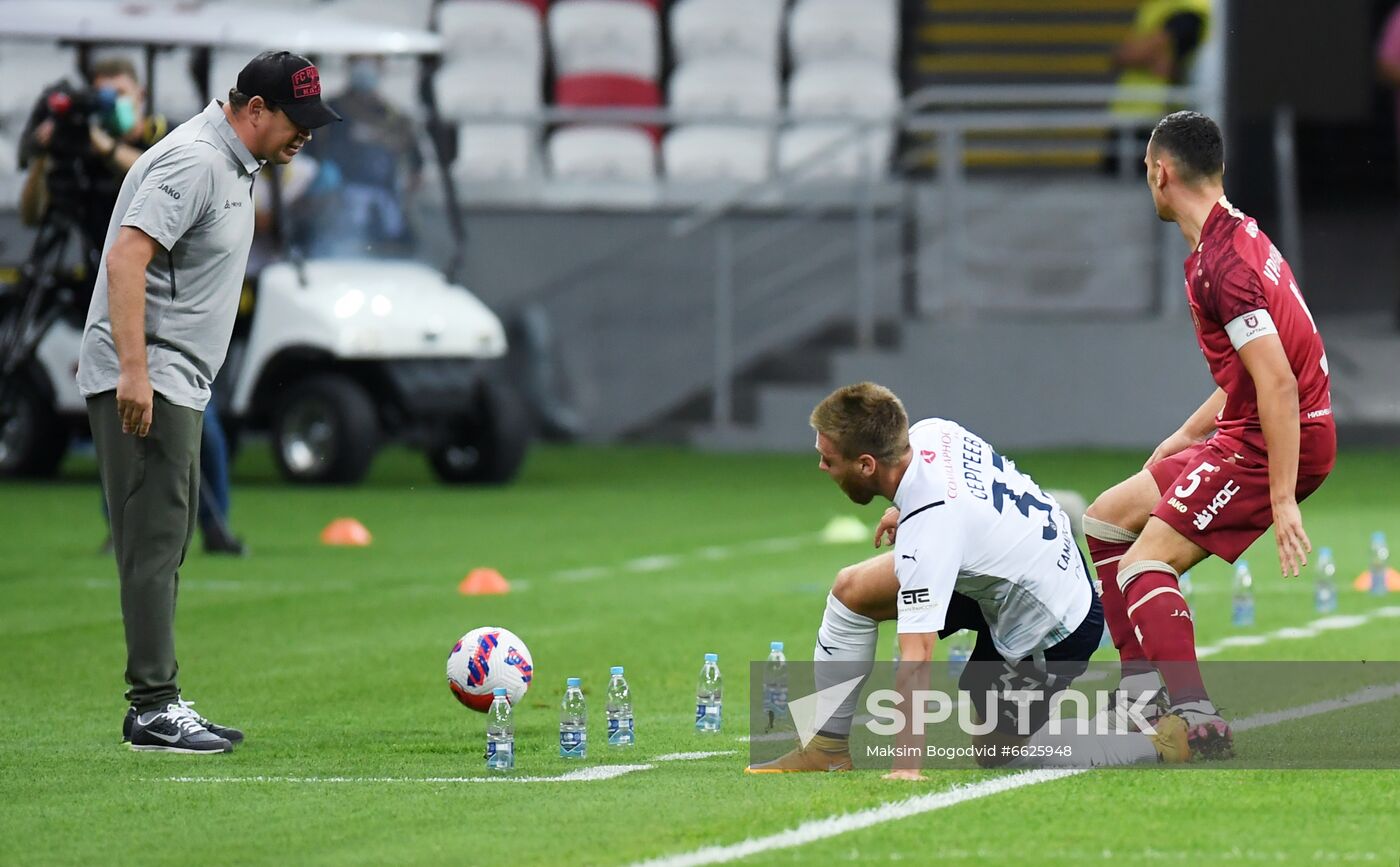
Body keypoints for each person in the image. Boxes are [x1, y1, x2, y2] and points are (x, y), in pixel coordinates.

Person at [78, 50, 340, 754]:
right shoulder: (195, 161)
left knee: (167, 534)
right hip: (150, 376)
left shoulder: (232, 163)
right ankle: (153, 707)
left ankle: (160, 699)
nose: (305, 136)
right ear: (254, 109)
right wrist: (134, 373)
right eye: (297, 120)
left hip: (174, 376)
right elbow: (126, 256)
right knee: (154, 539)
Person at [747, 383, 1190, 778]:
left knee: (1000, 753)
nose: (822, 467)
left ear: (866, 465)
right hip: (1017, 571)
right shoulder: (932, 432)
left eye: (829, 459)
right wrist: (906, 510)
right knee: (852, 590)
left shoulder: (930, 528)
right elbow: (968, 495)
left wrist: (906, 768)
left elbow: (917, 656)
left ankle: (1151, 743)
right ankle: (825, 748)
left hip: (1054, 623)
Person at [1082, 111, 1335, 760]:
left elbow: (1276, 383)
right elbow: (1253, 371)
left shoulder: (1222, 266)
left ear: (1161, 173)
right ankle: (1141, 690)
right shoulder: (1237, 235)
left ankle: (1196, 716)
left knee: (1144, 563)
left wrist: (1281, 499)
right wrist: (1185, 433)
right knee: (1107, 519)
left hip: (1275, 440)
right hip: (1254, 428)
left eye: (1147, 170)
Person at [303, 54, 422, 258]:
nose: (365, 68)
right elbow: (304, 163)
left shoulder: (396, 119)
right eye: (359, 61)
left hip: (385, 220)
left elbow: (416, 167)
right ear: (349, 64)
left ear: (381, 66)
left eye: (372, 61)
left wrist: (404, 202)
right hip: (336, 215)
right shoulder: (328, 113)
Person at [1111, 0, 1212, 119]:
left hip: (1159, 112)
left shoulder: (1190, 9)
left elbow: (1157, 60)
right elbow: (1122, 55)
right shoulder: (1156, 5)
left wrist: (1135, 53)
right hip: (1130, 110)